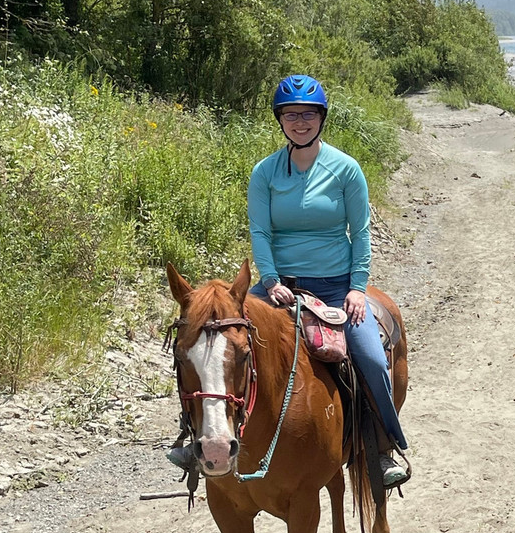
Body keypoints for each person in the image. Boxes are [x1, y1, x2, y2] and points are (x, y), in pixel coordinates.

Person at [169, 74, 409, 488]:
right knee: (212, 344)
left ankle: (383, 447)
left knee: (369, 355)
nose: (301, 121)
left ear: (322, 119)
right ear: (281, 120)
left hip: (336, 284)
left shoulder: (346, 169)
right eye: (292, 114)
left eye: (309, 114)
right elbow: (260, 232)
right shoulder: (265, 173)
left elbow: (362, 231)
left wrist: (356, 286)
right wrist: (271, 279)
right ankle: (194, 437)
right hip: (279, 286)